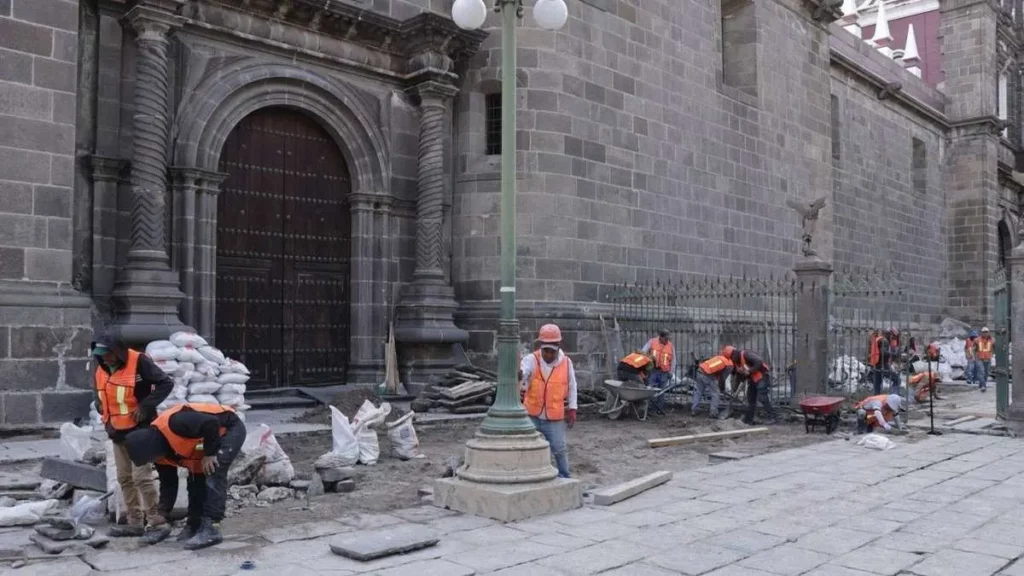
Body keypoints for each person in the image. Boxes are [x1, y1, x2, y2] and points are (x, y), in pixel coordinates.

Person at [124, 402, 246, 550]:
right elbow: (168, 483)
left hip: (228, 428)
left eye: (149, 459)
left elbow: (211, 423)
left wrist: (210, 454)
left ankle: (213, 527)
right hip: (205, 441)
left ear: (150, 448)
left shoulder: (175, 423)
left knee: (214, 469)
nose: (151, 462)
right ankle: (194, 523)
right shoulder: (160, 453)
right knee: (195, 477)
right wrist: (162, 513)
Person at [91, 332, 173, 540]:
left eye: (108, 354)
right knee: (124, 478)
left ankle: (155, 521)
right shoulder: (101, 368)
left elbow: (165, 383)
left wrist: (145, 407)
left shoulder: (139, 362)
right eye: (101, 355)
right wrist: (100, 406)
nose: (105, 358)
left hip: (139, 430)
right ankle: (134, 522)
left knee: (142, 477)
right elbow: (98, 392)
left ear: (118, 351)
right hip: (116, 431)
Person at [520, 324, 578, 479]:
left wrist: (572, 408)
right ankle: (528, 476)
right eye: (546, 351)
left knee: (559, 449)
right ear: (541, 347)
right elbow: (524, 372)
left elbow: (572, 386)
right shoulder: (531, 360)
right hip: (532, 414)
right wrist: (521, 375)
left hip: (554, 416)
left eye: (552, 351)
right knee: (526, 447)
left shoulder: (566, 363)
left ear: (558, 347)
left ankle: (564, 476)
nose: (548, 354)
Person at [727, 346, 776, 425]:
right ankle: (749, 419)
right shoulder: (736, 363)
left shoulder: (746, 354)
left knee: (762, 397)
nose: (731, 360)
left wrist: (750, 371)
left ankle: (772, 416)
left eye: (731, 358)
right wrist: (735, 390)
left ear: (734, 355)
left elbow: (759, 361)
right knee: (751, 398)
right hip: (753, 379)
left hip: (762, 376)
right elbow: (739, 376)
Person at [691, 347, 730, 418]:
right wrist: (722, 388)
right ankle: (713, 413)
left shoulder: (718, 357)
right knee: (715, 393)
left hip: (699, 371)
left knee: (699, 392)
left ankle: (694, 409)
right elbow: (722, 378)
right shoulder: (727, 363)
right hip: (707, 375)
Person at [868, 328, 898, 395]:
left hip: (876, 364)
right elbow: (883, 352)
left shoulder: (879, 339)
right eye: (893, 337)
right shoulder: (885, 341)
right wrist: (894, 354)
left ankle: (876, 398)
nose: (893, 339)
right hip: (883, 365)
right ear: (890, 334)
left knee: (877, 385)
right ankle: (893, 396)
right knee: (897, 380)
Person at [976, 327, 994, 392]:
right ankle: (983, 386)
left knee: (986, 373)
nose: (985, 333)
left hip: (988, 358)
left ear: (988, 332)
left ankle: (981, 384)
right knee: (981, 372)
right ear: (981, 333)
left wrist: (992, 354)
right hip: (979, 358)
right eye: (984, 332)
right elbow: (973, 349)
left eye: (986, 332)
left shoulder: (992, 340)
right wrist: (974, 356)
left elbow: (995, 348)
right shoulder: (977, 340)